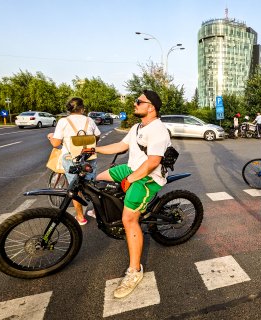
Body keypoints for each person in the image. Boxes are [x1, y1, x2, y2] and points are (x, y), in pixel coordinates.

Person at [93, 90, 170, 299]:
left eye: (139, 101)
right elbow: (121, 146)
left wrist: (131, 179)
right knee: (99, 179)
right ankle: (118, 205)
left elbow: (153, 162)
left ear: (151, 107)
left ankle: (135, 271)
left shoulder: (159, 130)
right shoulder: (138, 127)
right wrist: (94, 150)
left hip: (148, 177)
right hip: (132, 169)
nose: (134, 104)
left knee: (129, 219)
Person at [47, 97, 101, 225]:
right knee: (91, 185)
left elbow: (56, 143)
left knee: (74, 187)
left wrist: (50, 137)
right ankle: (97, 211)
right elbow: (97, 136)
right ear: (82, 108)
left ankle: (80, 217)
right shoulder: (89, 120)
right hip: (89, 156)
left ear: (69, 109)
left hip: (70, 157)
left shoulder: (63, 121)